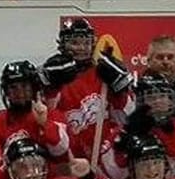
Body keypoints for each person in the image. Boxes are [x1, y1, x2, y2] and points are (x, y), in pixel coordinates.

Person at [39, 18, 134, 158]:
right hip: (68, 159)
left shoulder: (104, 75)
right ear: (63, 44)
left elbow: (126, 119)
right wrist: (49, 88)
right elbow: (45, 120)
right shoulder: (53, 75)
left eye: (86, 42)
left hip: (104, 158)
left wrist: (121, 92)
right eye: (75, 42)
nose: (82, 48)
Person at [0, 60, 72, 166]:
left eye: (25, 86)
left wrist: (45, 124)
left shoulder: (52, 115)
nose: (19, 92)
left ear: (34, 88)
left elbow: (61, 151)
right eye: (13, 87)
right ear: (6, 92)